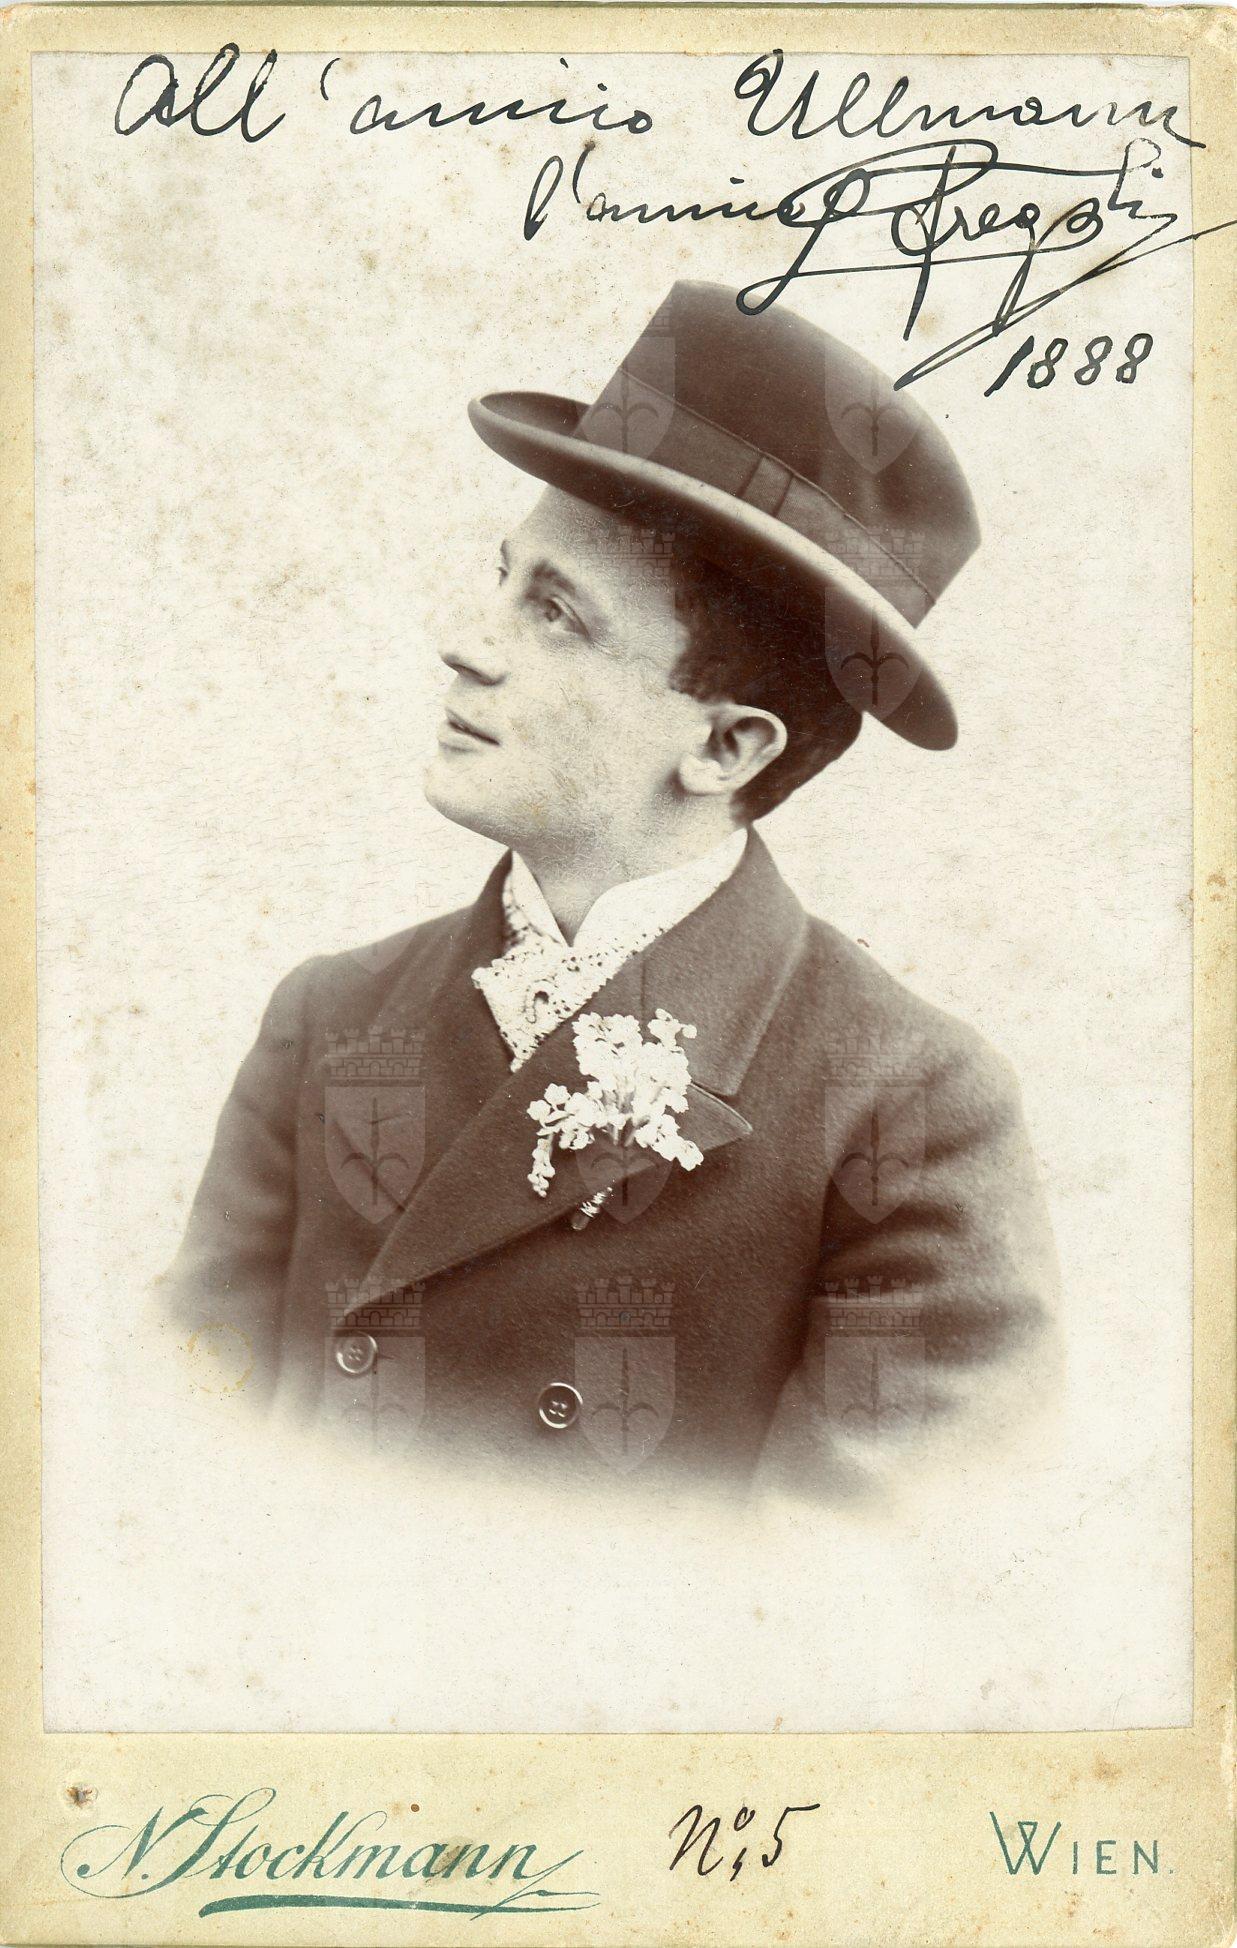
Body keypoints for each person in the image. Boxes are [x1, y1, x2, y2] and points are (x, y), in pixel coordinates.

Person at [162, 281, 1059, 1500]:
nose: (467, 644)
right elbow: (174, 1465)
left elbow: (868, 1584)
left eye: (555, 615)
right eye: (504, 579)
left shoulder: (907, 1107)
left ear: (726, 746)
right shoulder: (327, 1019)